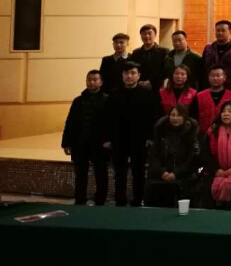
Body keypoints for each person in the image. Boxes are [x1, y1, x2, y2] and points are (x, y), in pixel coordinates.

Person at [107, 61, 160, 207]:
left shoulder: (148, 94)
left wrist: (150, 137)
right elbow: (108, 118)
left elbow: (153, 118)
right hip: (119, 139)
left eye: (133, 73)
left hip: (140, 139)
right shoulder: (114, 94)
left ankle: (138, 200)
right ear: (122, 75)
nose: (129, 76)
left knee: (139, 172)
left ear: (139, 75)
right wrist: (109, 138)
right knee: (119, 172)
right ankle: (120, 201)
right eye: (126, 73)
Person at [62, 70, 109, 206]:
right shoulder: (78, 101)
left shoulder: (107, 100)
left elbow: (111, 123)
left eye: (95, 79)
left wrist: (109, 141)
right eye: (89, 79)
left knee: (101, 174)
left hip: (100, 145)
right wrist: (66, 143)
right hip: (80, 144)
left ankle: (100, 200)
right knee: (80, 174)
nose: (92, 82)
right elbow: (70, 122)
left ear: (101, 82)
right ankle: (80, 200)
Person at [144, 104, 199, 208]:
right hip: (161, 174)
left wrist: (175, 173)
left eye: (179, 115)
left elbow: (192, 160)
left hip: (183, 174)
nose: (175, 118)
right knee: (152, 185)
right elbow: (153, 157)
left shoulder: (191, 134)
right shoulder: (161, 132)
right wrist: (162, 172)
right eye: (172, 115)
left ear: (185, 117)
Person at [191, 65, 231, 135]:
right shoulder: (199, 96)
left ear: (224, 77)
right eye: (212, 76)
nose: (215, 78)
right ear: (208, 77)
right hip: (203, 135)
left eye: (218, 75)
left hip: (228, 135)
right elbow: (194, 118)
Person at [202, 20, 231, 91]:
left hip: (230, 87)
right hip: (210, 88)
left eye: (223, 30)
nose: (220, 33)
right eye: (218, 30)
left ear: (230, 32)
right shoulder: (208, 48)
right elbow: (203, 69)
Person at [131, 24, 169, 90]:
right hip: (139, 87)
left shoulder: (164, 51)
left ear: (155, 35)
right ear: (141, 36)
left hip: (157, 88)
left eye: (149, 33)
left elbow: (166, 72)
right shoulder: (136, 52)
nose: (147, 36)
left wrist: (151, 82)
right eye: (144, 34)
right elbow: (133, 69)